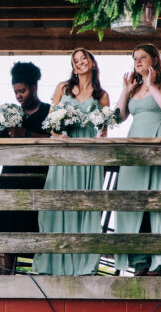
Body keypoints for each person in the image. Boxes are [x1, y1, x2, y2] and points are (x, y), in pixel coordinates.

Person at [35, 48, 109, 276]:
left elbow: (104, 131)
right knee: (57, 205)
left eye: (83, 58)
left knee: (87, 207)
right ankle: (53, 264)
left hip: (88, 155)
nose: (79, 63)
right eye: (75, 61)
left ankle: (84, 265)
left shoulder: (101, 95)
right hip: (64, 151)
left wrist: (97, 140)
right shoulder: (63, 88)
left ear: (92, 62)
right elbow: (49, 122)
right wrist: (58, 136)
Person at [113, 44, 161, 276]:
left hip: (157, 137)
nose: (137, 61)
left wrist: (151, 85)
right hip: (133, 142)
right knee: (131, 201)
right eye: (134, 58)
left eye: (143, 57)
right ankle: (139, 260)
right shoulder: (134, 87)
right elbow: (118, 118)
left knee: (156, 200)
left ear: (154, 60)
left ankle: (160, 260)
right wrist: (125, 91)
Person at [0, 61, 51, 274]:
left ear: (34, 88)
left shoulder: (48, 111)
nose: (19, 96)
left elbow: (53, 139)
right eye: (16, 92)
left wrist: (24, 134)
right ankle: (3, 278)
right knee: (6, 228)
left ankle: (39, 273)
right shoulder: (10, 112)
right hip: (10, 177)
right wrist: (0, 122)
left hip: (37, 179)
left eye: (22, 91)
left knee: (34, 227)